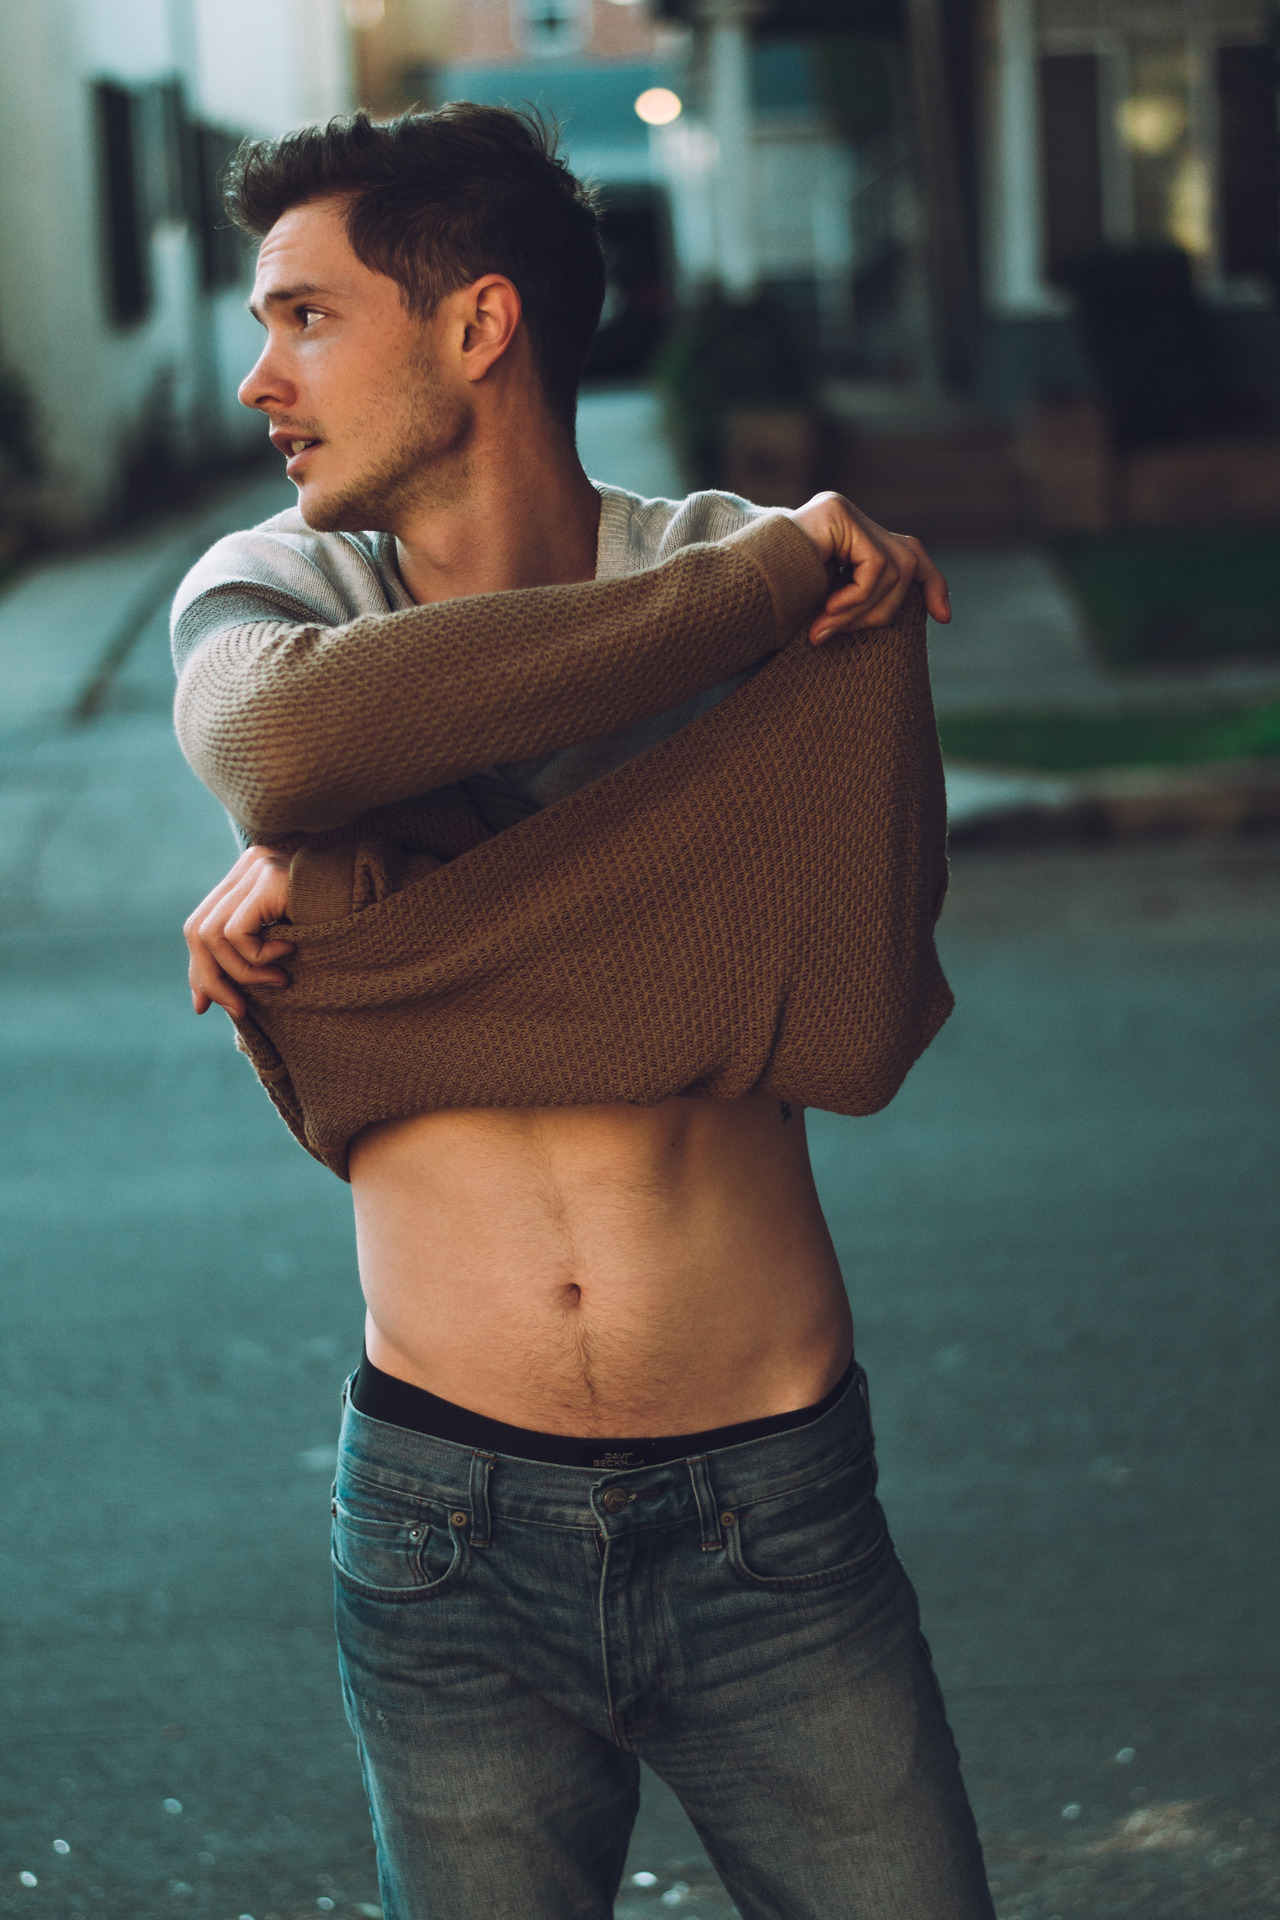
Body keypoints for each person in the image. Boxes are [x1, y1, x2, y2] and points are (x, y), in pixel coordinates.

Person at [173, 105, 994, 1920]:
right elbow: (284, 739)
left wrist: (389, 899)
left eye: (306, 317)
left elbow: (852, 1002)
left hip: (772, 1517)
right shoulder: (289, 590)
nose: (259, 380)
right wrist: (741, 648)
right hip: (440, 1528)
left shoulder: (731, 563)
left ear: (480, 324)